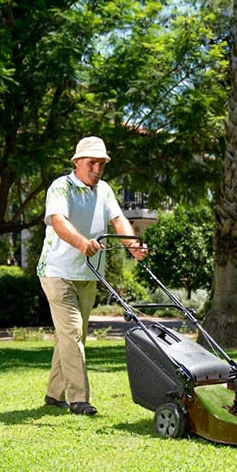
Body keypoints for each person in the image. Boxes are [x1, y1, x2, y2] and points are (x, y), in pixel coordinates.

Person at [37, 136, 146, 416]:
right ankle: (79, 400)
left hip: (88, 272)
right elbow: (59, 221)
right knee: (73, 333)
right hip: (57, 271)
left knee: (73, 335)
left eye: (101, 164)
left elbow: (118, 219)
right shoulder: (61, 187)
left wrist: (132, 244)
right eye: (91, 163)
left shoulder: (105, 190)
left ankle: (53, 394)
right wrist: (82, 243)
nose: (97, 168)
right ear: (77, 163)